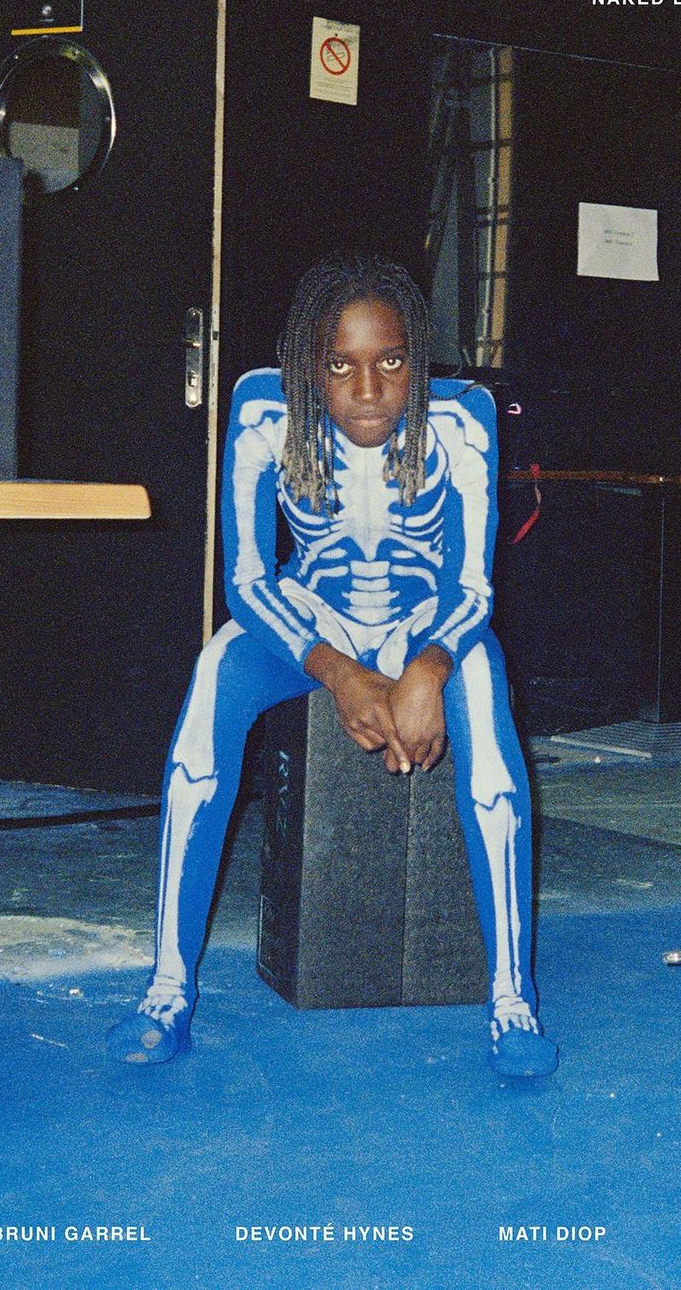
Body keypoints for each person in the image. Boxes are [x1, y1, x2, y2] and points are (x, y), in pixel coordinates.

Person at [107, 255, 558, 1077]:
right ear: (307, 366)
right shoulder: (262, 410)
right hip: (312, 615)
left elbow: (471, 587)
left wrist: (428, 668)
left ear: (418, 360)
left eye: (393, 361)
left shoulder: (462, 419)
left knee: (485, 695)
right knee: (213, 678)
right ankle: (167, 987)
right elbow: (247, 581)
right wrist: (340, 673)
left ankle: (511, 999)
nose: (369, 389)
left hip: (425, 621)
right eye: (340, 365)